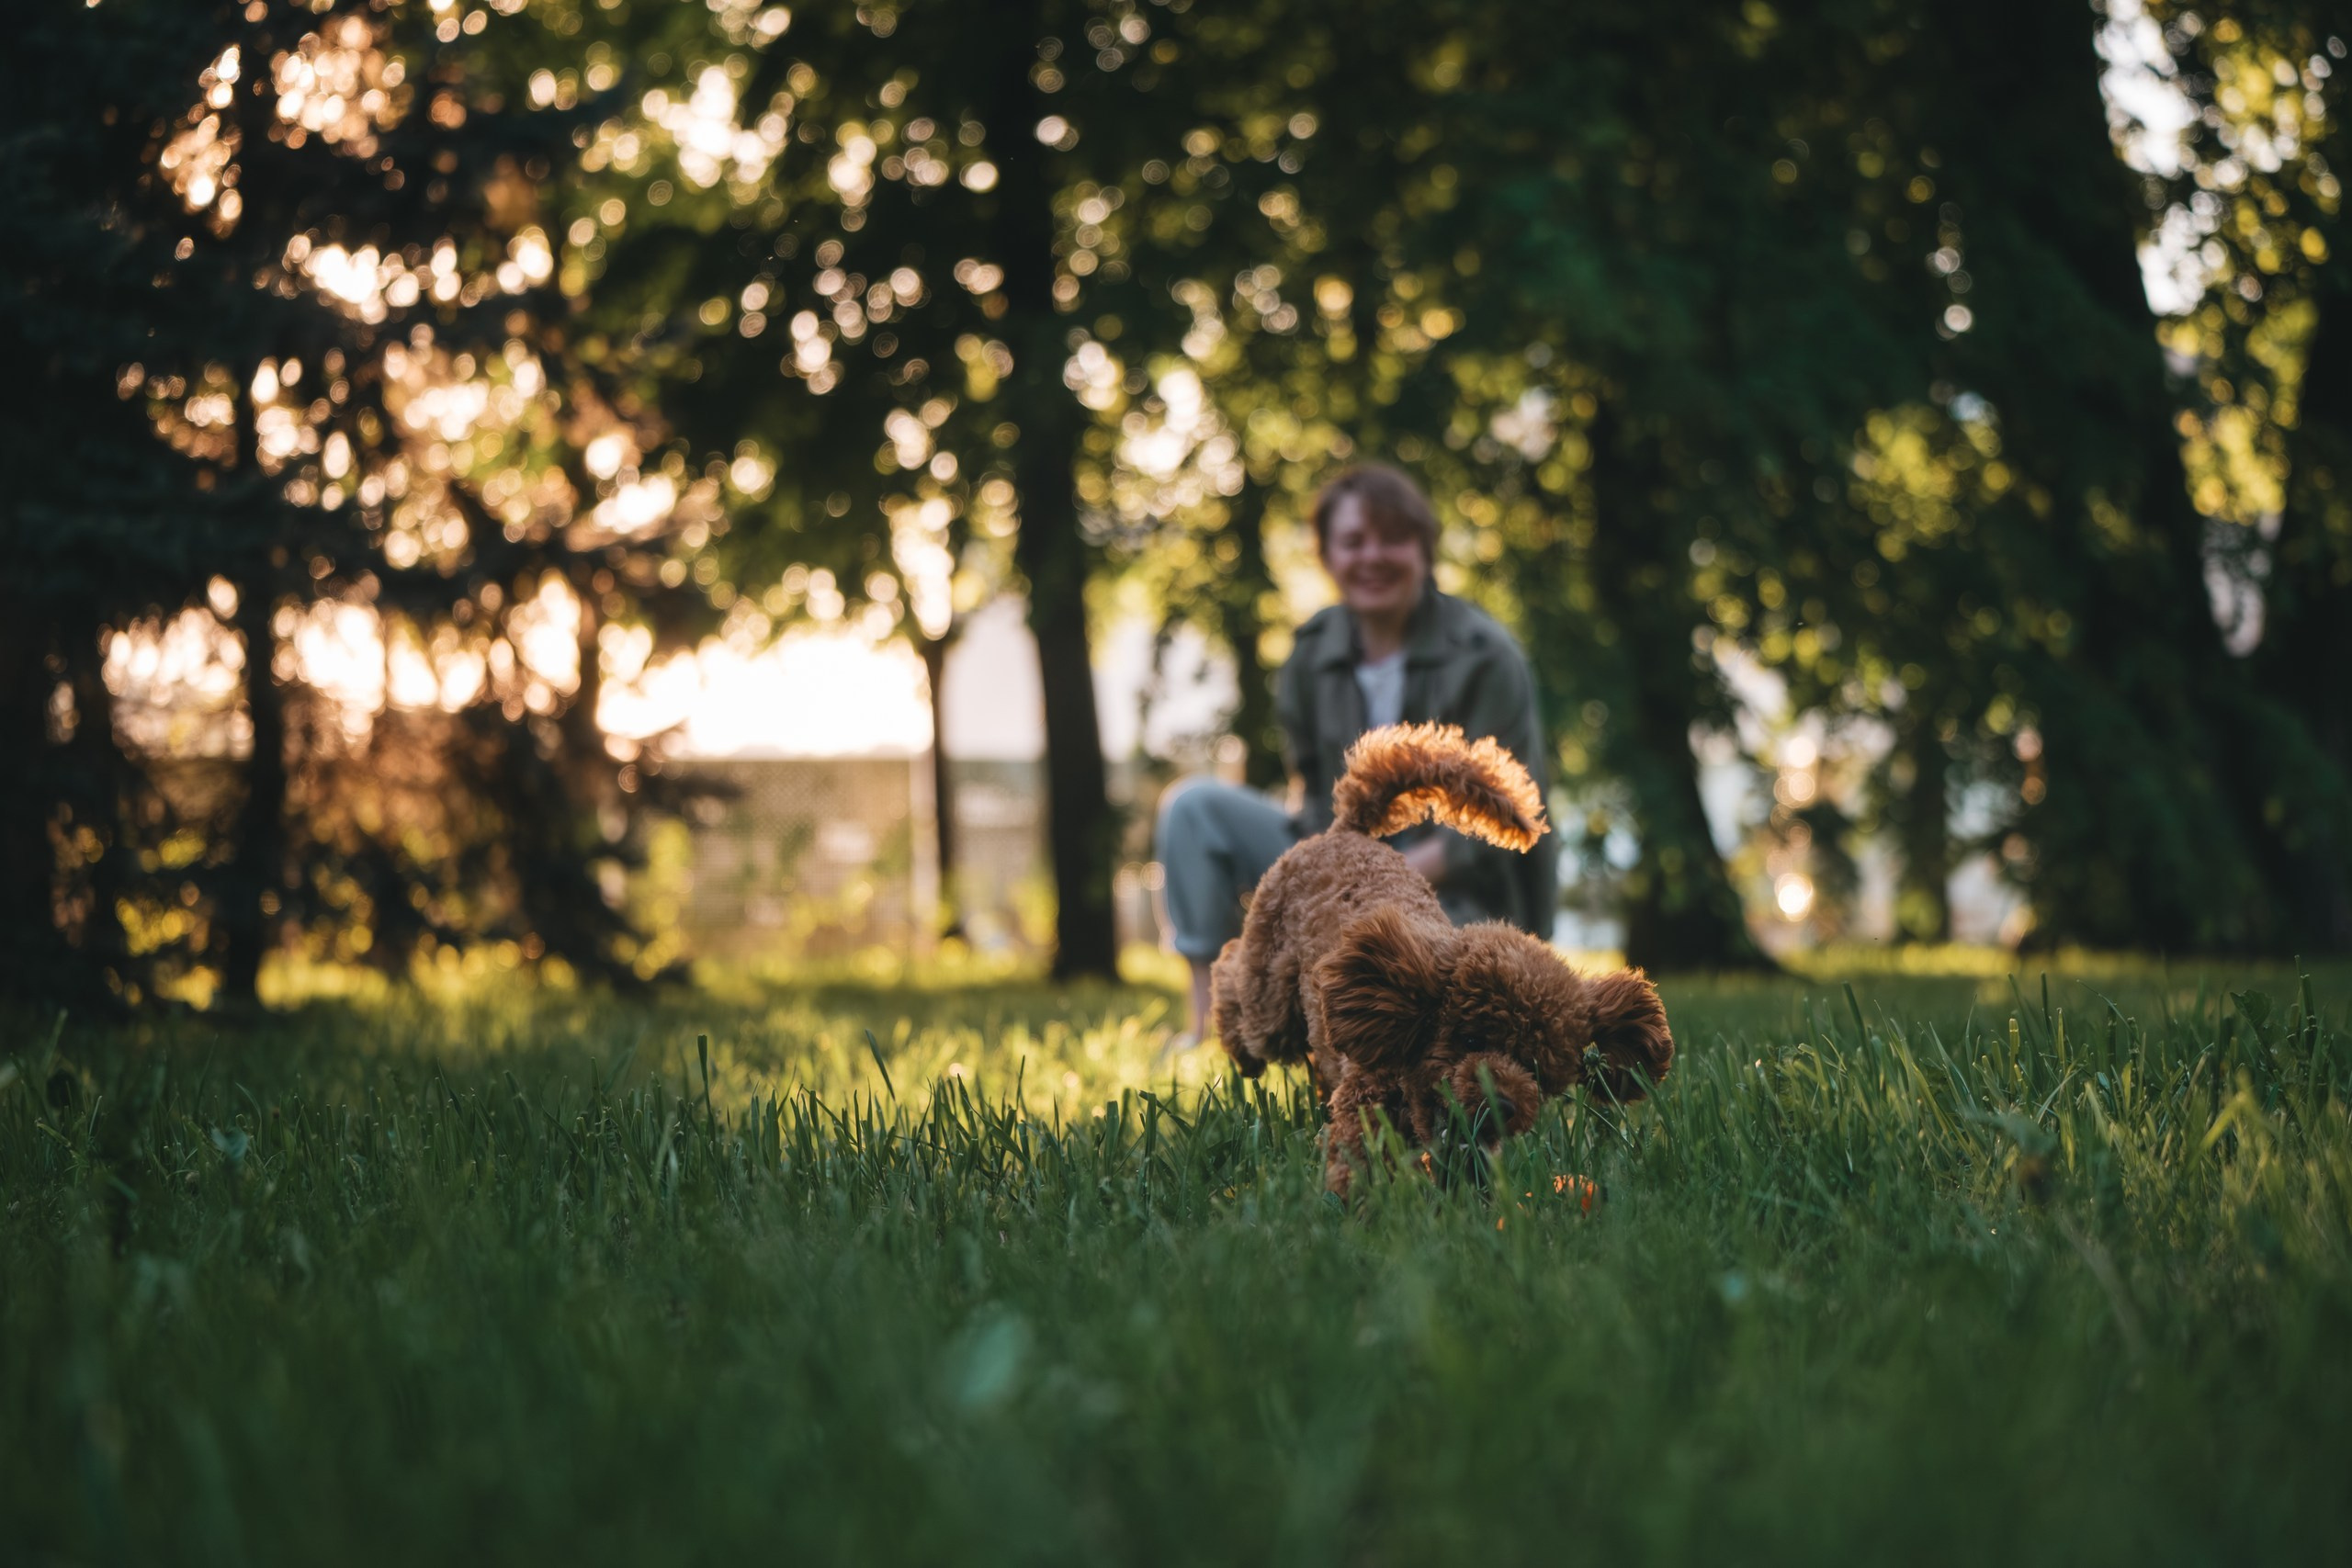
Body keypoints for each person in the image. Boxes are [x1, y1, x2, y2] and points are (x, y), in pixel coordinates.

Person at [1155, 462, 1558, 1044]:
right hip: (1342, 861)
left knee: (1450, 1004)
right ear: (1326, 556)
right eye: (1352, 541)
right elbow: (1315, 798)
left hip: (1458, 891)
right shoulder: (1310, 653)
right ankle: (1207, 1027)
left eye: (1392, 538)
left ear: (1423, 547)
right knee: (1193, 809)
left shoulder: (1485, 654)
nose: (1372, 557)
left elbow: (1507, 815)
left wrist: (1377, 887)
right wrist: (1323, 887)